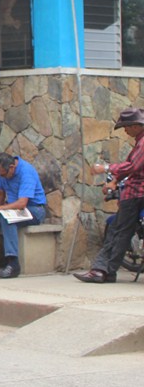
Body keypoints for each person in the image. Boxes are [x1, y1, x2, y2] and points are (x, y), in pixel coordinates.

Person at [74, 107, 144, 284]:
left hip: (136, 193)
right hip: (135, 192)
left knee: (118, 232)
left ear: (136, 125)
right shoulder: (139, 142)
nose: (126, 131)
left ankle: (100, 270)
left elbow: (133, 166)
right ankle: (107, 270)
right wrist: (114, 180)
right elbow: (131, 165)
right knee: (119, 231)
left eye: (126, 127)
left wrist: (106, 168)